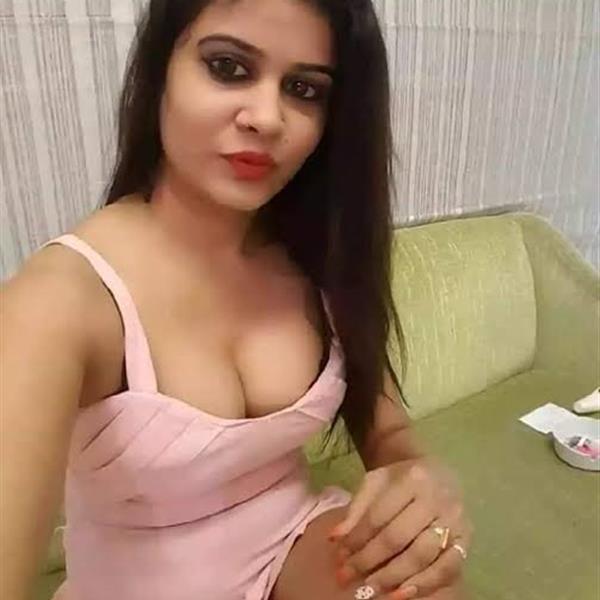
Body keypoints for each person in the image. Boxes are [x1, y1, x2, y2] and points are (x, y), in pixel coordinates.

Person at [0, 1, 473, 599]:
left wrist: (419, 479)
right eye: (227, 67)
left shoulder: (316, 256)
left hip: (290, 540)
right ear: (160, 70)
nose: (267, 118)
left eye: (304, 89)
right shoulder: (58, 304)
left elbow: (388, 433)